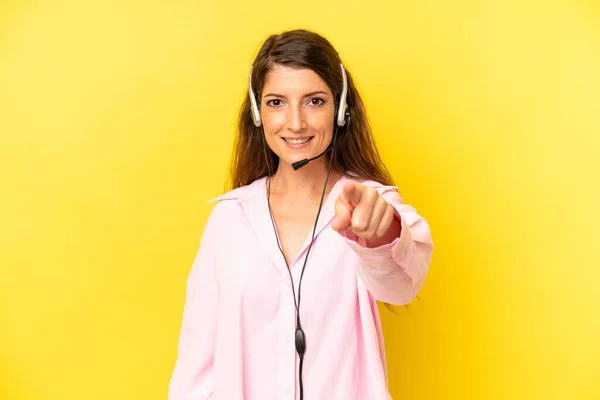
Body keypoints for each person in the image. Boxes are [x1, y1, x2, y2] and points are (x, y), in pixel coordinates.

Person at [168, 29, 434, 400]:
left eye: (314, 101)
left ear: (341, 110)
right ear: (258, 112)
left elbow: (401, 285)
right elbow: (196, 368)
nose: (295, 123)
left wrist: (381, 234)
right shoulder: (229, 219)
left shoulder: (371, 204)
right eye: (276, 102)